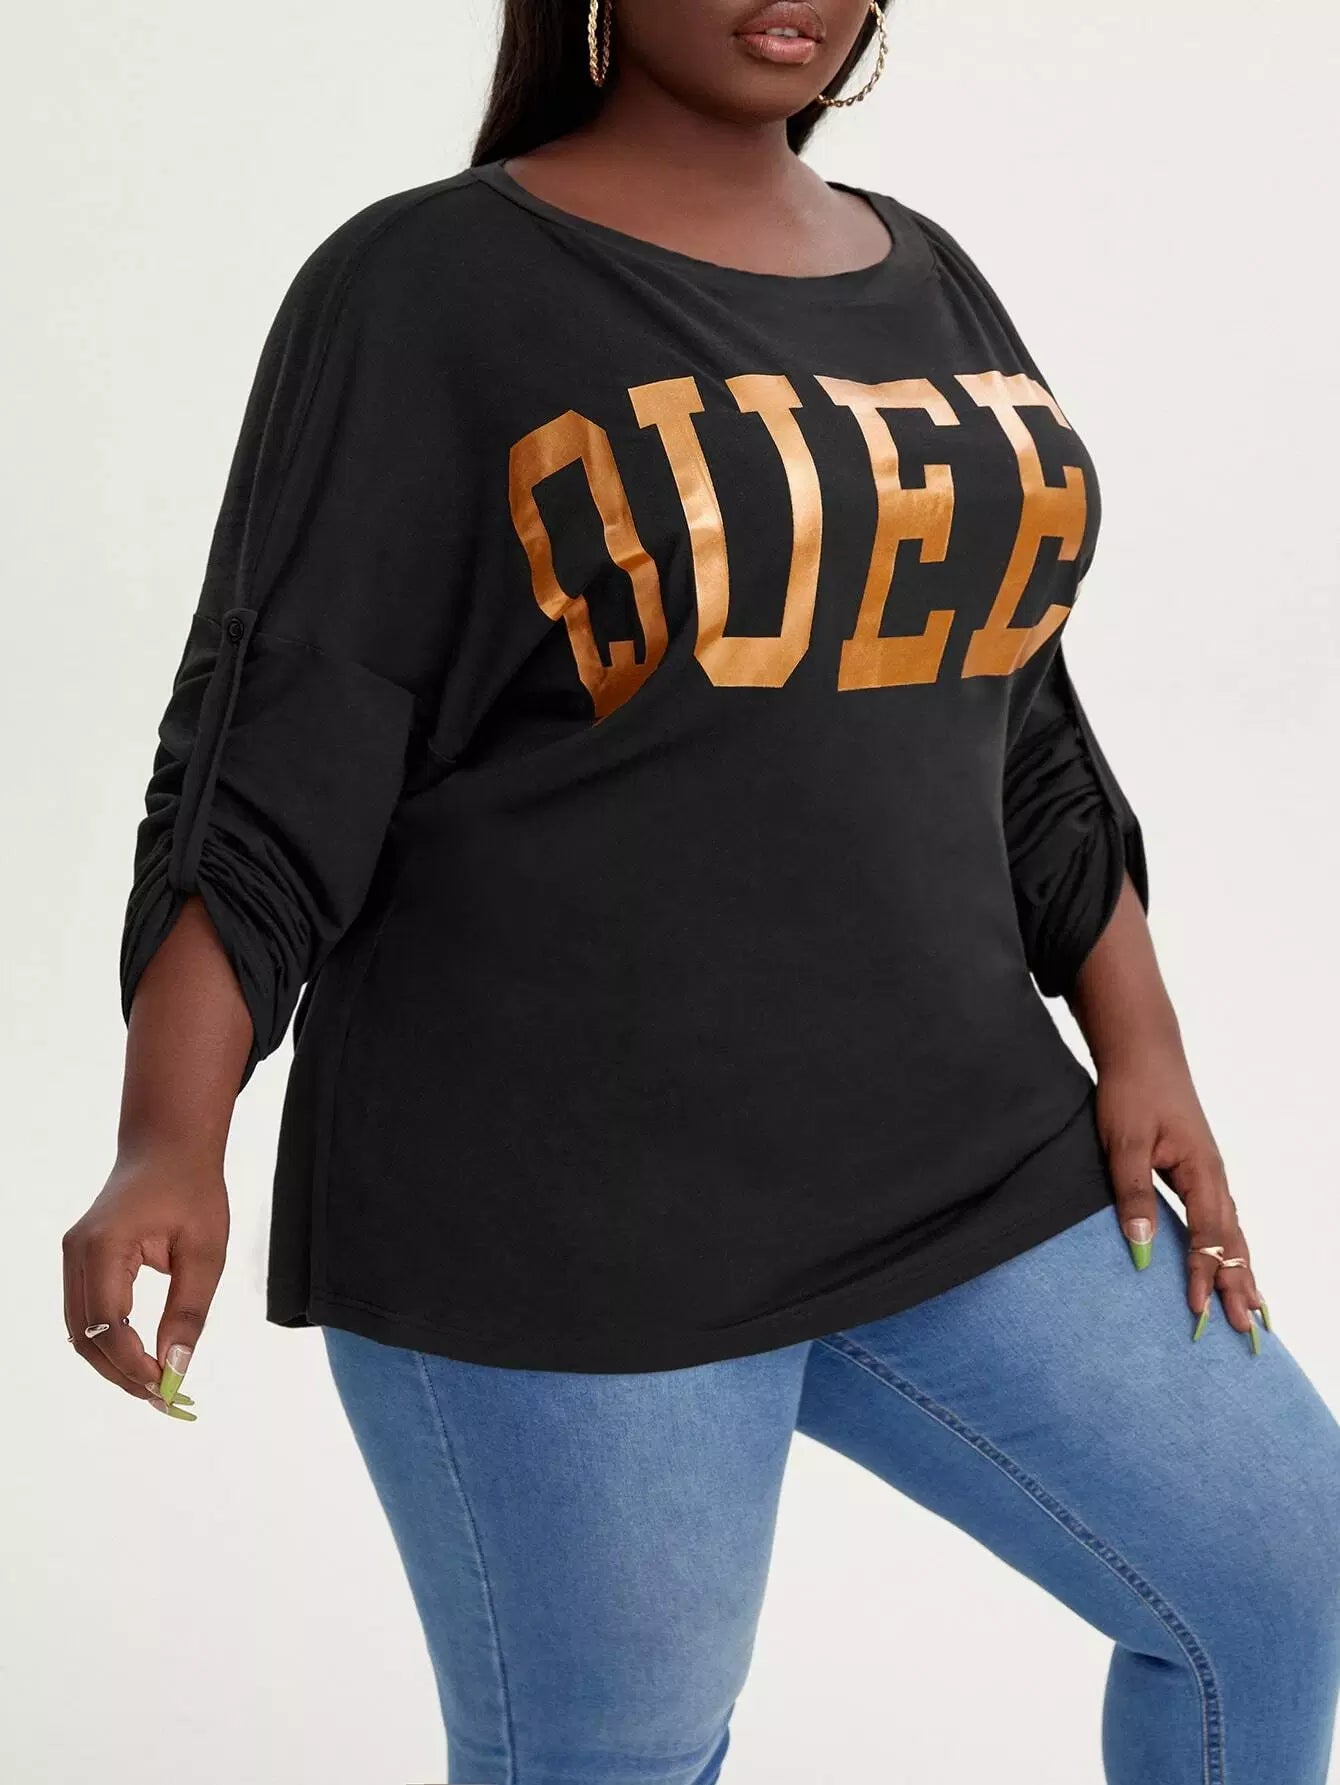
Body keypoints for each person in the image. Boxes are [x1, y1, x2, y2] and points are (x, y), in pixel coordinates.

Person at [63, 0, 1340, 1779]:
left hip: (965, 1156)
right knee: (623, 1756)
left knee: (1275, 1575)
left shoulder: (931, 274)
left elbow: (1015, 703)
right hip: (564, 1207)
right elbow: (280, 738)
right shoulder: (424, 283)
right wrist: (169, 1132)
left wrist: (1146, 1043)